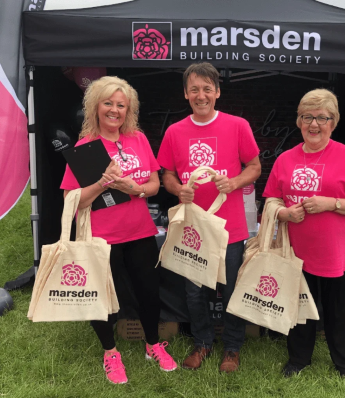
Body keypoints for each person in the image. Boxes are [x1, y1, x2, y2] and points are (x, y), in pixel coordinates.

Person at [60, 76, 177, 384]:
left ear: (129, 110)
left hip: (140, 232)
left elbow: (154, 185)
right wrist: (103, 183)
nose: (114, 110)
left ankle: (153, 345)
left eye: (121, 105)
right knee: (103, 300)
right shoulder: (85, 148)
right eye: (108, 103)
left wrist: (135, 188)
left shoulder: (137, 139)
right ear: (96, 107)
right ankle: (110, 352)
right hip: (102, 238)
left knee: (149, 293)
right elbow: (72, 202)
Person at [263, 88, 345, 387]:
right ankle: (298, 359)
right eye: (307, 117)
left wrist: (332, 203)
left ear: (333, 122)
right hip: (296, 252)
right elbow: (271, 200)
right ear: (299, 121)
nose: (314, 124)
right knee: (300, 310)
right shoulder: (285, 159)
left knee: (339, 314)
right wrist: (286, 214)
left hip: (335, 253)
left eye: (322, 118)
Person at [157, 62, 261, 373]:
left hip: (231, 227)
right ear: (185, 94)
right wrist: (179, 190)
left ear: (217, 91)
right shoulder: (175, 132)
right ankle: (202, 342)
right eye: (194, 89)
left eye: (206, 89)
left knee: (230, 289)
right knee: (194, 291)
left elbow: (254, 167)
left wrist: (234, 183)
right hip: (193, 228)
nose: (201, 95)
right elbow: (167, 175)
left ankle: (232, 347)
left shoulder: (237, 125)